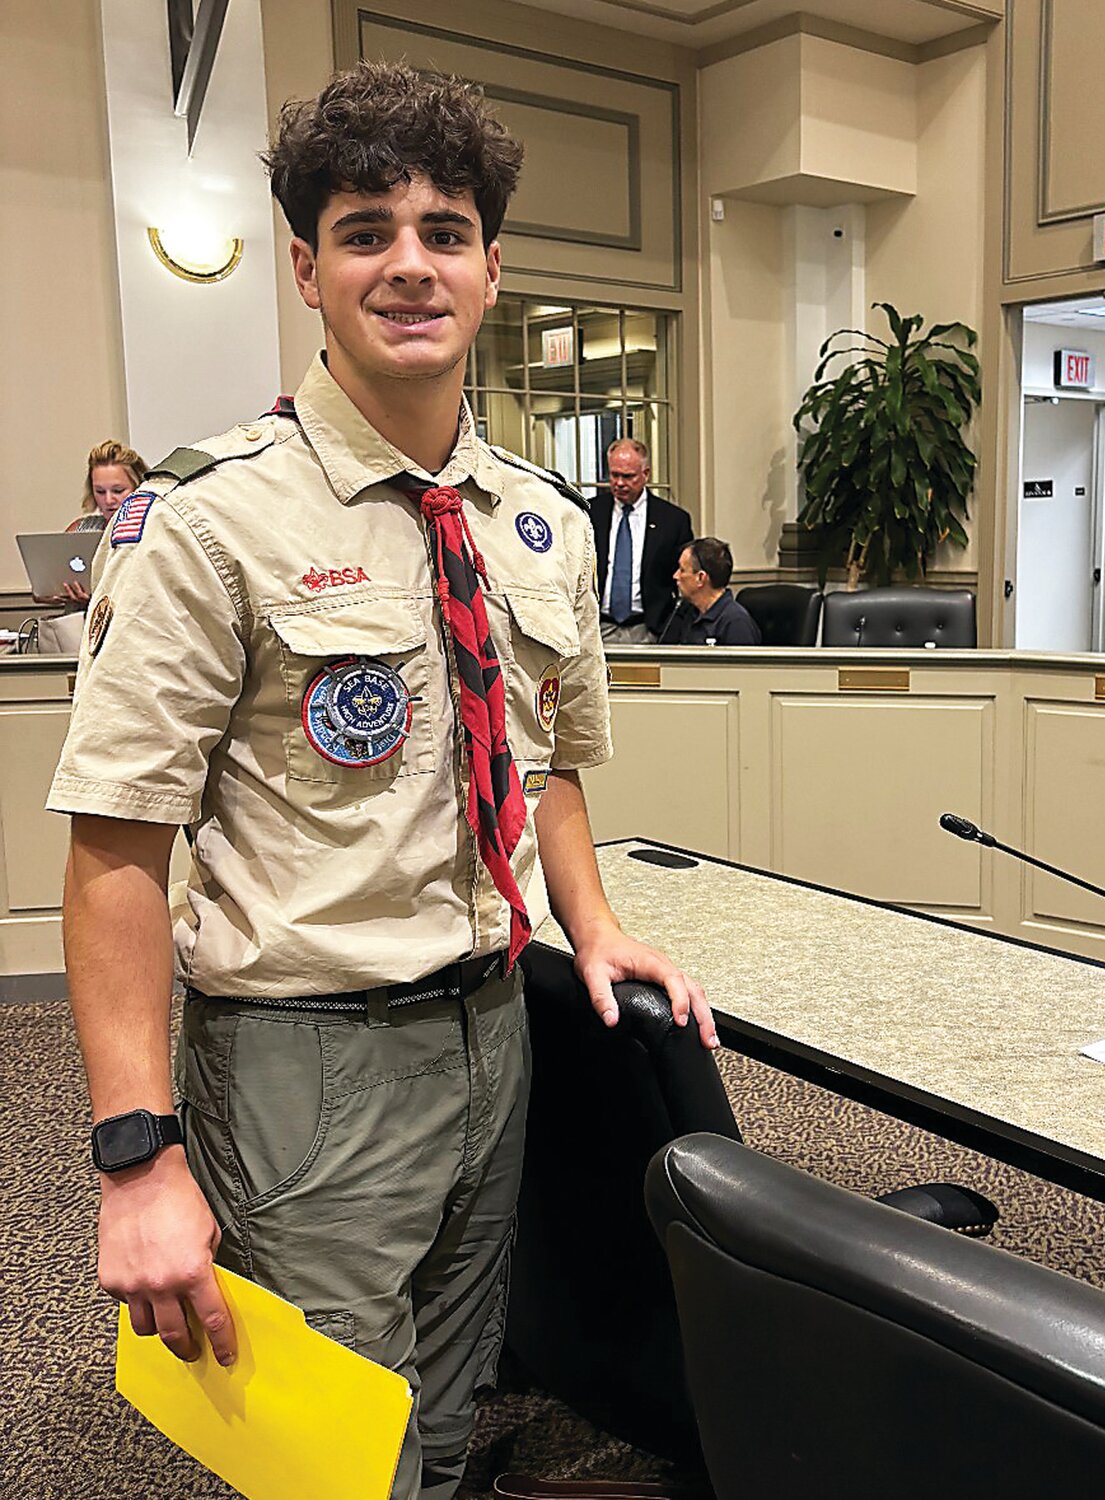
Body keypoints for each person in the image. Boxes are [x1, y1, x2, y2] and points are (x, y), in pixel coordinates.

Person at [47, 61, 715, 1500]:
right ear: (305, 265)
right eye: (366, 230)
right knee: (334, 1459)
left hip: (494, 1032)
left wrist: (589, 921)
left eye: (444, 230)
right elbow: (116, 855)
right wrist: (135, 1159)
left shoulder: (537, 523)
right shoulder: (204, 523)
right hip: (308, 1058)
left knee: (460, 1404)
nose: (409, 262)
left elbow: (550, 766)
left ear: (490, 267)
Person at [588, 437, 692, 642]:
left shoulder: (673, 520)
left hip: (649, 628)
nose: (619, 483)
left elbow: (684, 577)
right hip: (598, 626)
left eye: (628, 477)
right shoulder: (591, 513)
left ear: (645, 474)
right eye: (614, 475)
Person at [33, 440, 145, 610]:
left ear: (138, 488)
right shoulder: (80, 529)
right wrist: (51, 592)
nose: (108, 500)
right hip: (79, 630)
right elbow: (41, 589)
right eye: (100, 492)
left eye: (118, 491)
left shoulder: (152, 530)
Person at [658, 537, 762, 646]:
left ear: (701, 578)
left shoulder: (736, 623)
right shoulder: (686, 612)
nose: (675, 576)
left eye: (682, 570)